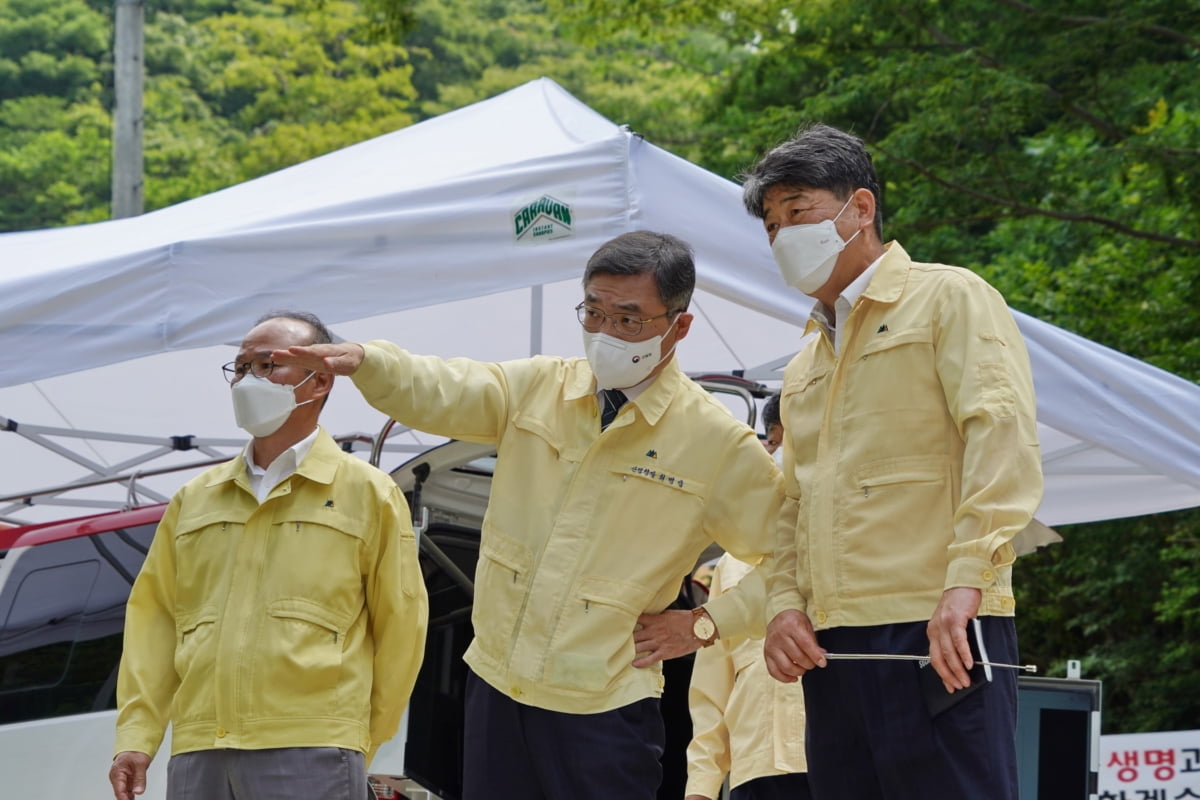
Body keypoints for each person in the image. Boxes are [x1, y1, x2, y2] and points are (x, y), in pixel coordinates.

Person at [273, 231, 783, 800]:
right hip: (497, 687)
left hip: (604, 708)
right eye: (593, 312)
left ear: (679, 326)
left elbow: (792, 560)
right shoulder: (539, 385)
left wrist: (703, 625)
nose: (606, 332)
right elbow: (442, 387)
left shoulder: (715, 441)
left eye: (629, 320)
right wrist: (369, 363)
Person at [745, 124, 1043, 799]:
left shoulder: (951, 298)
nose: (784, 236)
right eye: (770, 226)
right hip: (832, 645)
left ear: (861, 208)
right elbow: (791, 501)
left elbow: (1002, 438)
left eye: (799, 212)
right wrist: (785, 607)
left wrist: (968, 580)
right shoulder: (803, 363)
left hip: (943, 624)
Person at [109, 312, 429, 800]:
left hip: (314, 747)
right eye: (240, 367)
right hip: (199, 749)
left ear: (320, 380)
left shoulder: (369, 494)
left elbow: (402, 627)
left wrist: (360, 738)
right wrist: (137, 736)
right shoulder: (196, 498)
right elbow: (154, 621)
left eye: (267, 365)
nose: (247, 380)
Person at [685, 398, 810, 800]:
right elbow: (710, 687)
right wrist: (701, 788)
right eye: (774, 442)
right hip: (754, 767)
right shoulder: (732, 564)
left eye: (797, 441)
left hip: (840, 761)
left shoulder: (853, 548)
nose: (783, 454)